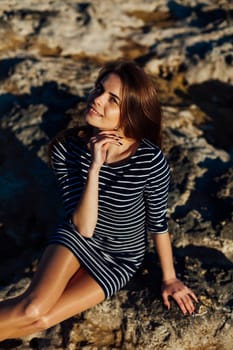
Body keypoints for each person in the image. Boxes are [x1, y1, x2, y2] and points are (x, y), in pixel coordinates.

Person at [0, 59, 198, 340]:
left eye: (112, 99)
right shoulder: (67, 149)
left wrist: (169, 278)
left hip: (120, 258)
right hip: (77, 237)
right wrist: (95, 167)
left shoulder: (150, 160)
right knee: (32, 309)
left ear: (130, 113)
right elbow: (83, 227)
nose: (97, 99)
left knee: (41, 320)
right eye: (98, 89)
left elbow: (157, 223)